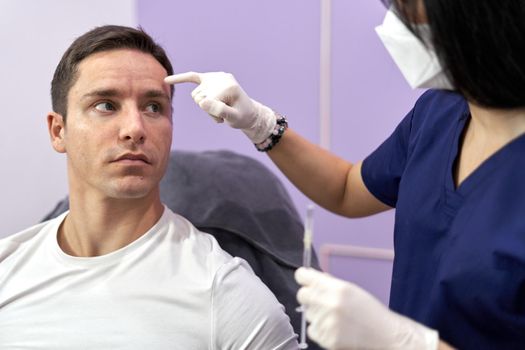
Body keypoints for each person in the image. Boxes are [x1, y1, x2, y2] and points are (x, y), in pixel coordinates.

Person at [165, 0, 525, 349]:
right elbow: (347, 190)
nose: (395, 23)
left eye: (409, 7)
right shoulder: (439, 112)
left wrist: (405, 343)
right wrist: (262, 125)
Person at [0, 25, 299, 349]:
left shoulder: (225, 294)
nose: (135, 128)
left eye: (153, 107)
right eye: (106, 105)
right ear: (58, 131)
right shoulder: (7, 269)